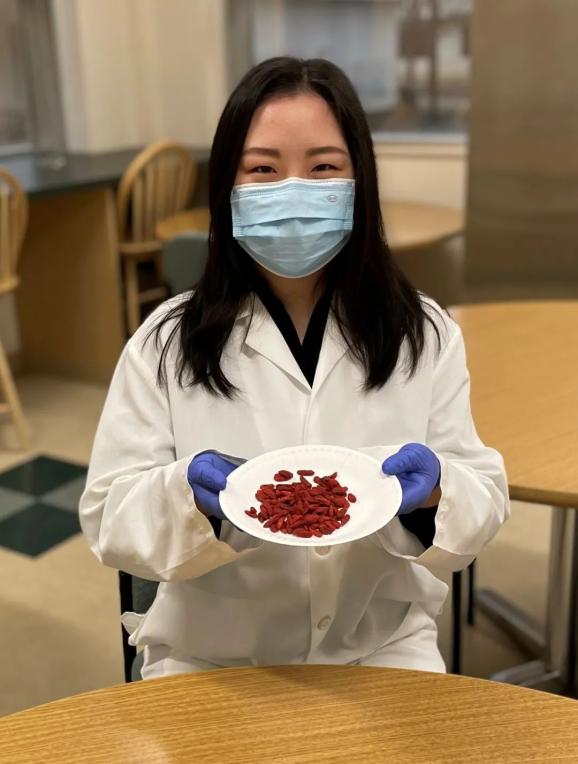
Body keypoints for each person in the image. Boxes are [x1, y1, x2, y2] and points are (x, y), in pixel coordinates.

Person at [80, 57, 509, 679]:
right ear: (226, 187)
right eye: (262, 169)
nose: (293, 191)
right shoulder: (165, 341)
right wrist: (183, 498)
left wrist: (439, 491)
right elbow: (107, 517)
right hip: (210, 658)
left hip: (383, 646)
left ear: (359, 181)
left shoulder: (424, 332)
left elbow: (485, 498)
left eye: (323, 167)